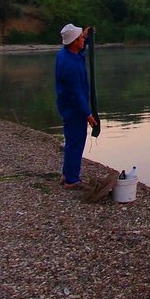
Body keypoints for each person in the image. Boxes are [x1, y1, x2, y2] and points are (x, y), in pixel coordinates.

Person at [55, 23, 98, 189]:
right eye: (80, 38)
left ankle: (67, 174)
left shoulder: (67, 53)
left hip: (68, 105)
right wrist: (88, 114)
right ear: (74, 42)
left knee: (72, 140)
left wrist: (86, 37)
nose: (82, 40)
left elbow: (79, 50)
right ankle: (72, 180)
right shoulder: (69, 64)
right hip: (72, 108)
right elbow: (75, 94)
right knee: (76, 141)